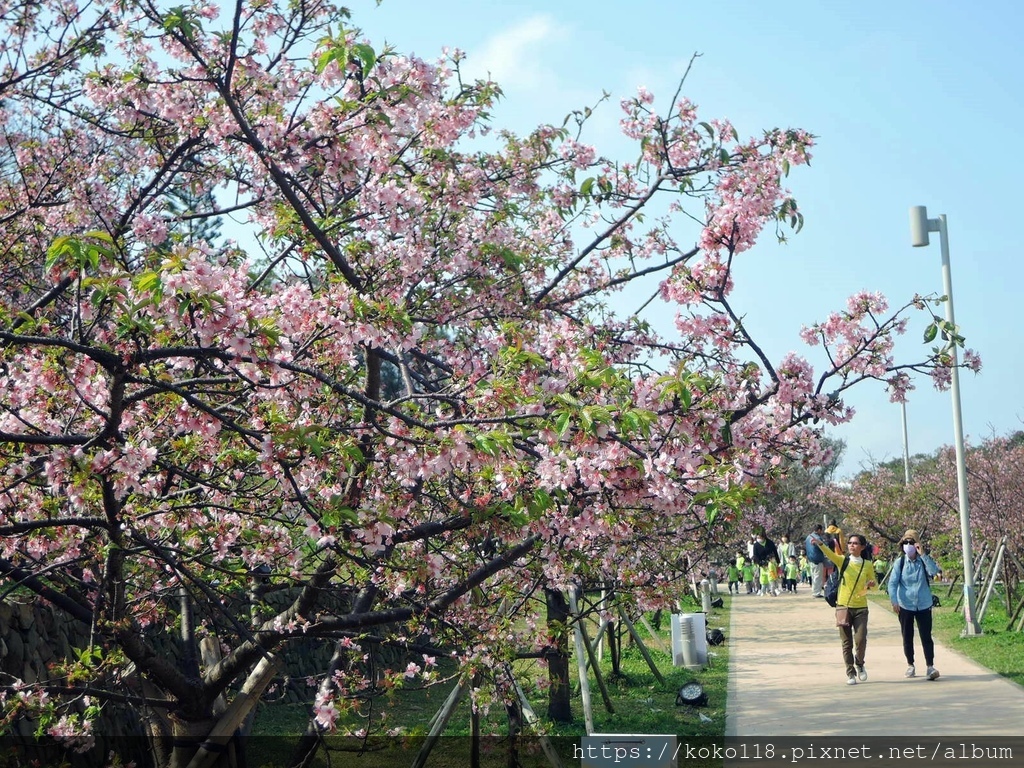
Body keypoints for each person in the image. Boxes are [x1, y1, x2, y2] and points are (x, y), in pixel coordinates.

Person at [817, 533, 876, 685]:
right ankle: (850, 673)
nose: (851, 545)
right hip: (843, 607)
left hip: (861, 607)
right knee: (846, 642)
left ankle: (860, 663)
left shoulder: (867, 564)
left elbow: (874, 585)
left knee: (861, 639)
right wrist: (820, 544)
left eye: (855, 543)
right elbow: (830, 554)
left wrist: (870, 585)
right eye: (850, 543)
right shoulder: (842, 561)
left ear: (862, 547)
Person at [888, 529, 940, 681]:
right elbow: (892, 583)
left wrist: (923, 554)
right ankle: (910, 664)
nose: (908, 545)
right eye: (906, 543)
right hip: (905, 604)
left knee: (926, 636)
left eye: (911, 543)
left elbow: (934, 572)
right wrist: (894, 601)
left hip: (923, 603)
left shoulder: (923, 561)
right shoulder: (900, 562)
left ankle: (930, 666)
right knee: (907, 636)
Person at [805, 524, 827, 598]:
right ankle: (816, 592)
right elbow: (823, 547)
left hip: (810, 559)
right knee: (817, 576)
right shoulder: (817, 538)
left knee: (813, 576)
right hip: (817, 559)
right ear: (819, 530)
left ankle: (814, 591)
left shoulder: (808, 537)